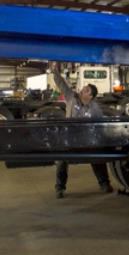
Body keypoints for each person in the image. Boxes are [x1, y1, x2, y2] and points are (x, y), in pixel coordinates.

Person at [50, 62, 113, 198]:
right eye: (83, 88)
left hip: (86, 140)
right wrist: (54, 71)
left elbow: (99, 125)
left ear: (90, 96)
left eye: (85, 90)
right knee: (62, 159)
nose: (82, 90)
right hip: (70, 138)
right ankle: (60, 188)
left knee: (97, 157)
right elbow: (61, 83)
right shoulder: (71, 98)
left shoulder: (95, 108)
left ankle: (104, 183)